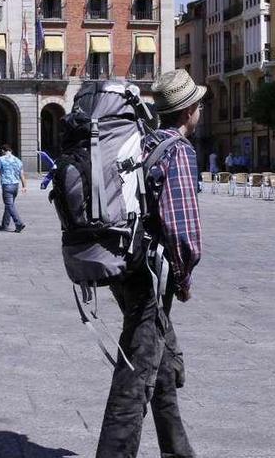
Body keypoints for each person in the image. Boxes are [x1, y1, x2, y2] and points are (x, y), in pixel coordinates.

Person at [96, 70, 204, 458]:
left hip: (124, 264)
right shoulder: (178, 150)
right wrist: (184, 277)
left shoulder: (141, 144)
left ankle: (177, 450)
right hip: (151, 275)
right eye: (198, 105)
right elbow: (183, 231)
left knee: (161, 360)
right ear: (189, 111)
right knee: (135, 373)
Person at [0, 144, 27, 232]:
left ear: (3, 150)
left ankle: (19, 223)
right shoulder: (18, 160)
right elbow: (22, 174)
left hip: (7, 185)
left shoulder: (1, 159)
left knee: (9, 205)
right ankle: (4, 224)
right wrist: (24, 186)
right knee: (9, 205)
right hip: (15, 185)